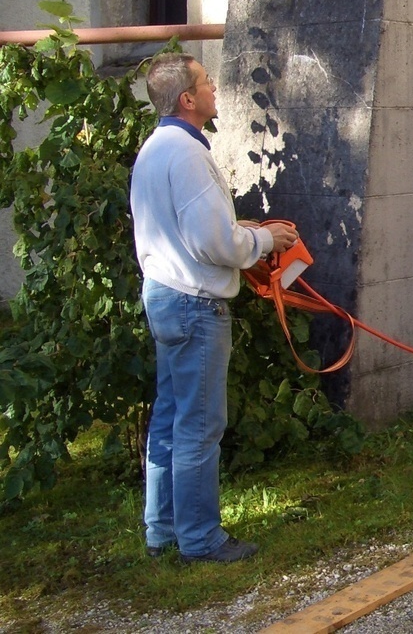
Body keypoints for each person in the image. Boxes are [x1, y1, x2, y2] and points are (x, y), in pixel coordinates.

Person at [130, 53, 298, 564]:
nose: (214, 88)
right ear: (187, 98)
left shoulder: (156, 148)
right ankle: (200, 539)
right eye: (206, 82)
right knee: (199, 425)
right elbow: (211, 244)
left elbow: (186, 230)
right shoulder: (187, 153)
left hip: (165, 296)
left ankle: (162, 532)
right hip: (195, 304)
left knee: (170, 418)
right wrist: (264, 241)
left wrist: (240, 231)